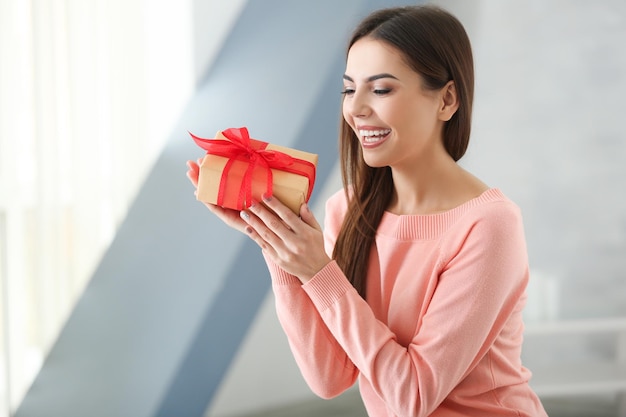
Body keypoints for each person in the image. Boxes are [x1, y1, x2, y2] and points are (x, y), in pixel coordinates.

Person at [186, 5, 548, 417]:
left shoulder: (487, 226)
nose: (356, 109)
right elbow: (329, 377)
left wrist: (318, 272)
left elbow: (411, 396)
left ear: (447, 99)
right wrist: (277, 244)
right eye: (348, 89)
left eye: (381, 90)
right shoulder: (349, 210)